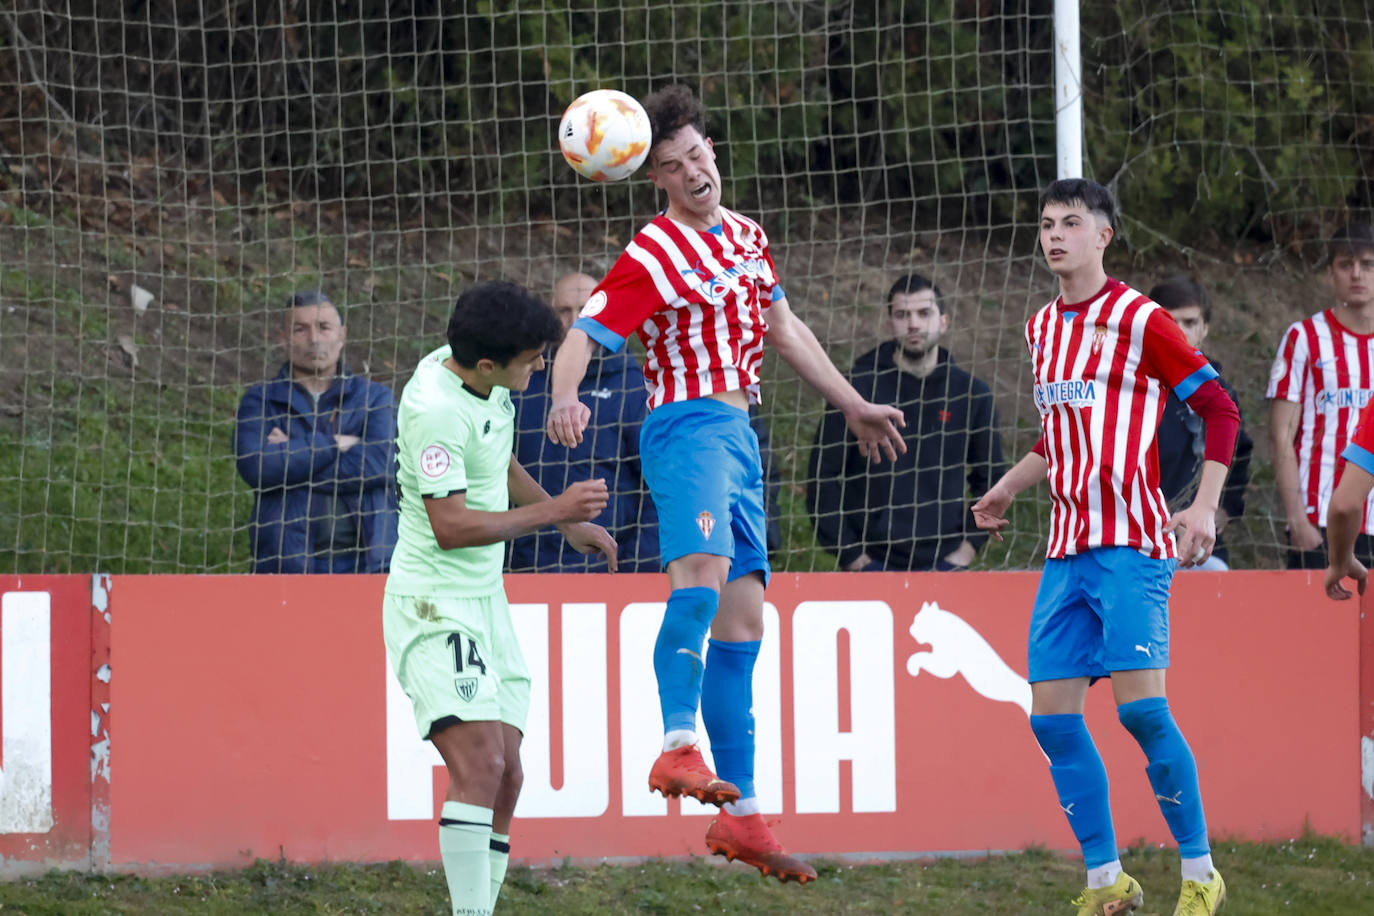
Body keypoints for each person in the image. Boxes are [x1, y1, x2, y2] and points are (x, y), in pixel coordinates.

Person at [545, 84, 906, 884]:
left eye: (697, 155)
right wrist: (565, 395)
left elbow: (784, 328)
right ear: (656, 180)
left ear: (713, 150)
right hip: (686, 427)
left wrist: (851, 404)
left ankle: (744, 819)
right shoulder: (654, 252)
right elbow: (588, 332)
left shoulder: (747, 236)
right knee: (701, 581)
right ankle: (677, 744)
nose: (693, 172)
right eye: (674, 166)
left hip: (742, 437)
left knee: (743, 625)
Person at [971, 179, 1237, 916]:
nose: (1055, 235)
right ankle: (1106, 883)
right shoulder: (1041, 328)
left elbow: (1220, 409)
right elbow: (1060, 434)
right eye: (1046, 224)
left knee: (1141, 714)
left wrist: (1203, 507)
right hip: (1068, 549)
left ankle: (1201, 873)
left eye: (1071, 223)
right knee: (1051, 720)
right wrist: (1009, 486)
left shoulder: (1140, 318)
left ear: (1103, 236)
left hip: (1133, 545)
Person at [383, 281, 618, 916]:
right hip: (434, 604)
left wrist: (567, 525)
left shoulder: (478, 375)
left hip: (487, 602)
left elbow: (496, 458)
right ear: (488, 364)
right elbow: (451, 527)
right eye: (533, 360)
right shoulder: (434, 408)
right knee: (482, 766)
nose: (540, 368)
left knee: (509, 774)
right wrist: (555, 511)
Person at [808, 272, 1005, 571]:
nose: (913, 323)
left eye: (924, 313)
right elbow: (822, 476)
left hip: (946, 562)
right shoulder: (856, 390)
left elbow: (992, 480)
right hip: (870, 562)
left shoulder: (972, 394)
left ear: (943, 321)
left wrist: (966, 551)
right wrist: (851, 556)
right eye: (902, 314)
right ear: (890, 324)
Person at [234, 289, 398, 573]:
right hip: (287, 565)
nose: (314, 339)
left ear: (342, 335)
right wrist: (334, 444)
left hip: (369, 563)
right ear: (282, 338)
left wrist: (294, 449)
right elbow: (258, 467)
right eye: (300, 329)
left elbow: (380, 463)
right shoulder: (261, 400)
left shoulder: (374, 398)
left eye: (324, 327)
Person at [508, 272, 660, 572]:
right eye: (564, 310)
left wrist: (638, 567)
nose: (575, 319)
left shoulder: (635, 387)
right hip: (520, 565)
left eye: (586, 309)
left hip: (604, 567)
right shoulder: (519, 382)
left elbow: (656, 488)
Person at [1268, 222, 1374, 570]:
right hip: (1320, 519)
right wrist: (1296, 518)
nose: (1357, 274)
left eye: (1367, 264)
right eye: (1346, 264)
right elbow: (1280, 434)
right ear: (1330, 274)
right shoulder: (1303, 337)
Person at [1148, 276, 1253, 570]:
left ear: (1205, 328)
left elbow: (1240, 452)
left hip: (1201, 540)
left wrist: (1224, 507)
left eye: (1190, 322)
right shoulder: (1134, 387)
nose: (1179, 331)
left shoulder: (1220, 391)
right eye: (1169, 321)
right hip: (1141, 536)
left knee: (1215, 574)